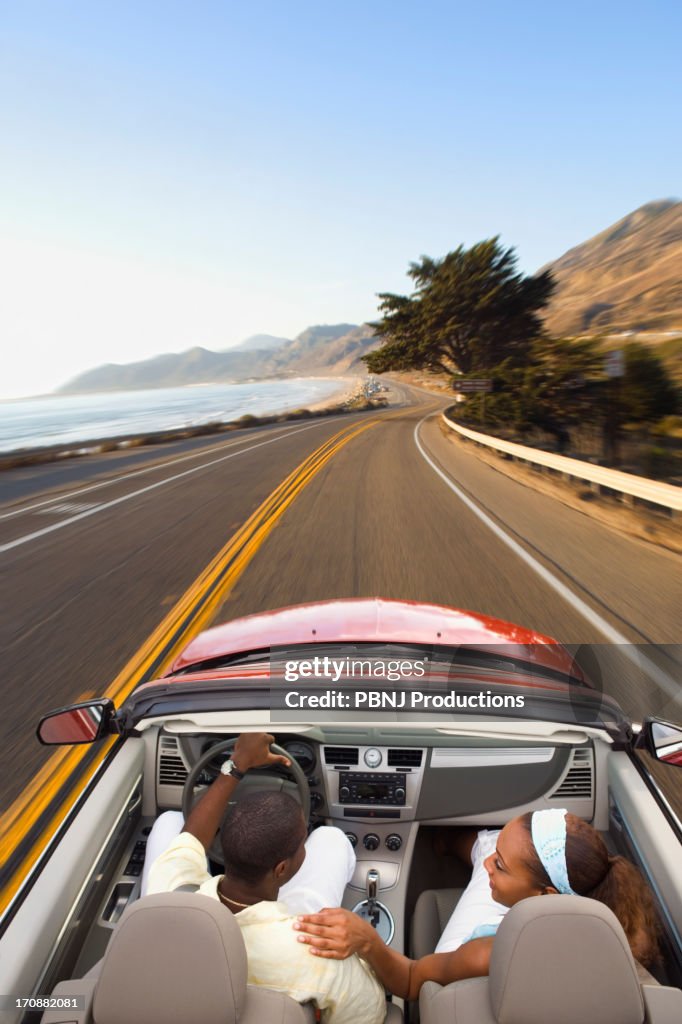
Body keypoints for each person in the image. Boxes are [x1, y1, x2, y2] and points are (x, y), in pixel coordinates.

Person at [292, 809, 661, 1001]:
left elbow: (408, 980)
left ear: (546, 895)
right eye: (497, 855)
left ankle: (448, 842)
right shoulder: (623, 943)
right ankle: (456, 843)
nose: (488, 868)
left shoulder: (488, 952)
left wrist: (367, 940)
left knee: (484, 846)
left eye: (499, 865)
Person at [147, 732, 386, 1024]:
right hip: (285, 947)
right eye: (303, 841)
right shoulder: (318, 953)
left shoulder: (168, 894)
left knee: (168, 822)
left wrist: (237, 764)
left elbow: (191, 838)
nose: (305, 845)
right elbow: (372, 1012)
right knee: (331, 837)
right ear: (281, 869)